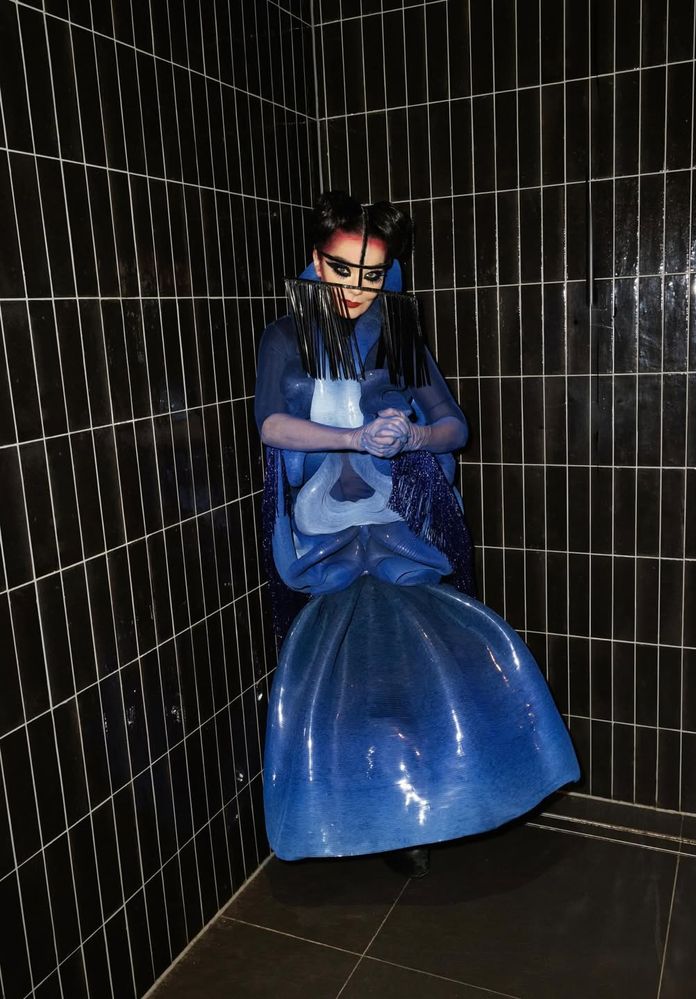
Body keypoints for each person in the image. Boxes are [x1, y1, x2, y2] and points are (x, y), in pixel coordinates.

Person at [255, 191, 579, 876]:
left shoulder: (397, 333)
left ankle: (432, 806)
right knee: (338, 680)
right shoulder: (284, 335)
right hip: (324, 536)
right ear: (314, 260)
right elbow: (272, 426)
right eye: (341, 268)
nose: (356, 287)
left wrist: (411, 436)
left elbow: (454, 426)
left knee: (423, 662)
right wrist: (353, 437)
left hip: (399, 526)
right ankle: (351, 813)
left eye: (372, 273)